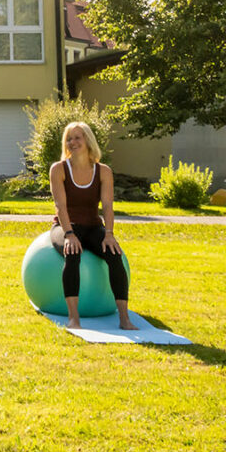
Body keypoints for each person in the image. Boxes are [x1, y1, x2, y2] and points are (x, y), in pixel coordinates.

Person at [48, 121, 134, 330]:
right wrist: (69, 234)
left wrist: (109, 234)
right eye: (69, 138)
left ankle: (124, 318)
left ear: (88, 140)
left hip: (93, 227)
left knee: (115, 256)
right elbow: (61, 206)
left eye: (78, 137)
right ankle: (74, 318)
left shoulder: (103, 171)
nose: (72, 142)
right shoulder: (58, 169)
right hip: (66, 227)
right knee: (73, 254)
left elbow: (107, 206)